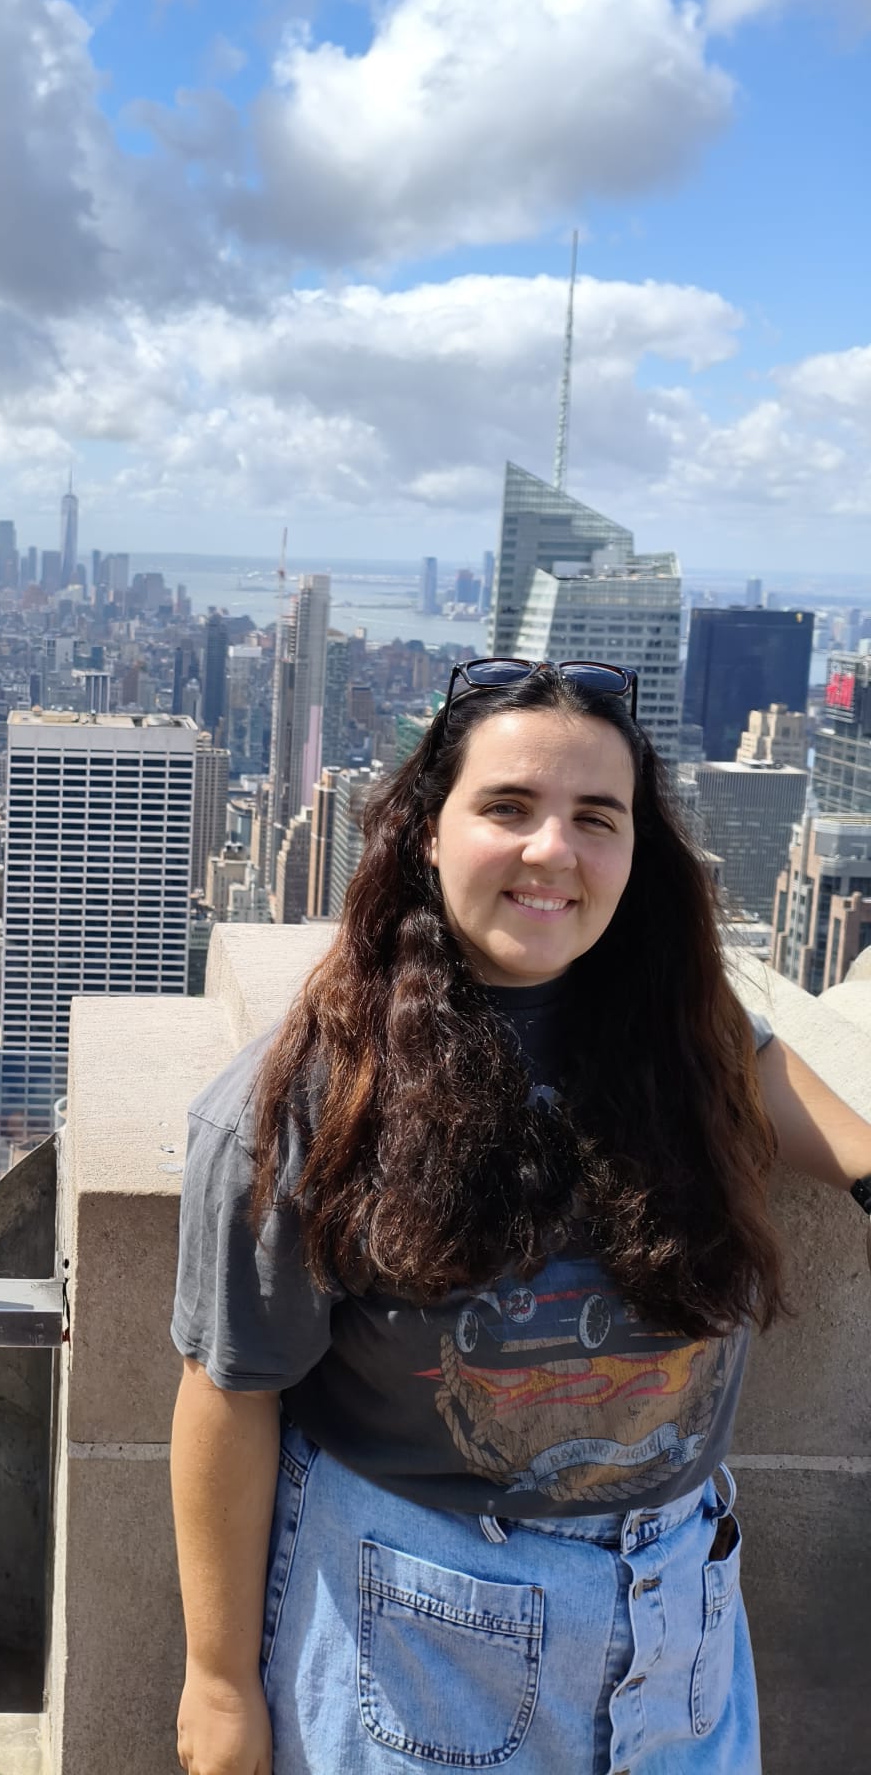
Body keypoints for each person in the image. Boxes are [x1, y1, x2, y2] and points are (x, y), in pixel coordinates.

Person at [171, 659, 871, 1775]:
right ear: (428, 831)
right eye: (508, 807)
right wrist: (218, 1681)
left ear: (637, 852)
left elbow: (764, 1073)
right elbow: (230, 1391)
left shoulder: (676, 1027)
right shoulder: (313, 1096)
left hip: (679, 1618)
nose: (553, 850)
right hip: (417, 1633)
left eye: (597, 817)